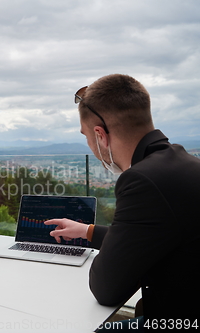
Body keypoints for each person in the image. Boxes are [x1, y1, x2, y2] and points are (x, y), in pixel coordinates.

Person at [44, 74, 200, 323]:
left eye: (86, 136)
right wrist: (88, 231)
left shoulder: (143, 180)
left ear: (100, 135)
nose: (89, 145)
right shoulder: (181, 164)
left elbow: (106, 288)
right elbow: (149, 234)